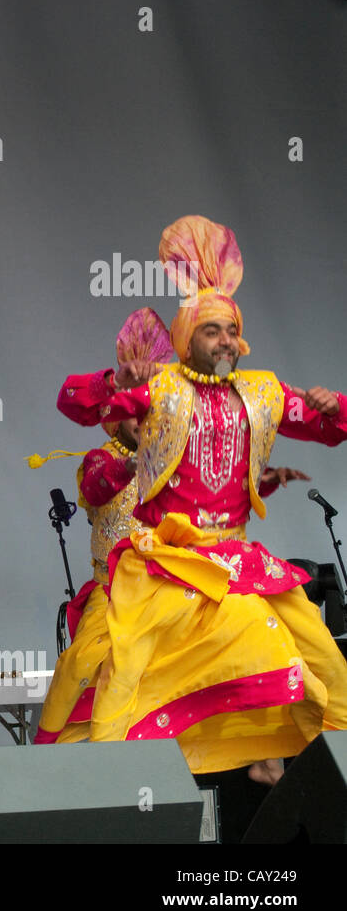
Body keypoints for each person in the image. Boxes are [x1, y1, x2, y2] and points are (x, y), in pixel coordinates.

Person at [64, 215, 347, 783]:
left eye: (229, 331)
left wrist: (333, 406)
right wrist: (112, 383)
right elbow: (77, 403)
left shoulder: (263, 393)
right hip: (169, 562)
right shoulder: (161, 392)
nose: (223, 340)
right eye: (210, 330)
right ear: (187, 337)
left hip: (237, 558)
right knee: (131, 674)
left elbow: (328, 429)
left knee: (323, 656)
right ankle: (106, 785)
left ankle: (277, 756)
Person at [34, 307, 306, 744]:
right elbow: (99, 486)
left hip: (181, 581)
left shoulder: (181, 449)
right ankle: (65, 758)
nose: (144, 422)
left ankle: (259, 751)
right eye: (136, 413)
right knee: (84, 662)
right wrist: (134, 463)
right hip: (116, 593)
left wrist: (263, 481)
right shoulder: (101, 459)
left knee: (254, 635)